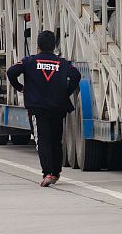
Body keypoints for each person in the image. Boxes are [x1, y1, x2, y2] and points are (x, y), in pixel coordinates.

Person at [7, 30, 81, 187]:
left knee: (42, 140)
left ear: (38, 46)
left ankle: (48, 172)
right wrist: (65, 92)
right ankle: (55, 172)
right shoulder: (62, 63)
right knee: (55, 140)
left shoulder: (29, 61)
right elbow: (76, 76)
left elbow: (11, 72)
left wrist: (20, 88)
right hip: (58, 107)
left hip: (37, 107)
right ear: (54, 46)